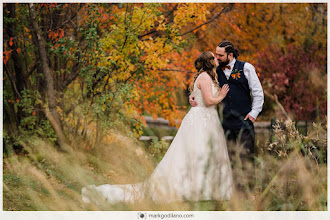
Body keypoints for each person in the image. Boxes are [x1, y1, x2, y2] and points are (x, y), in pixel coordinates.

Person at [82, 51, 233, 204]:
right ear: (209, 61)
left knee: (202, 151)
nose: (217, 59)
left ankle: (207, 187)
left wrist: (195, 97)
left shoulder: (206, 76)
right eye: (214, 57)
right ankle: (197, 188)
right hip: (202, 119)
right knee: (199, 151)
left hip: (205, 118)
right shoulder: (206, 77)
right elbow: (208, 101)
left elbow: (198, 97)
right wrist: (221, 95)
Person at [190, 41, 264, 189]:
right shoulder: (214, 70)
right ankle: (232, 190)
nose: (217, 58)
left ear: (230, 55)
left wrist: (253, 113)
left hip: (244, 119)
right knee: (227, 157)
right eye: (216, 54)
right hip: (224, 122)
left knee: (245, 156)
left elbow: (257, 92)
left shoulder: (247, 68)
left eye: (220, 55)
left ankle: (248, 191)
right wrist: (192, 96)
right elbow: (201, 85)